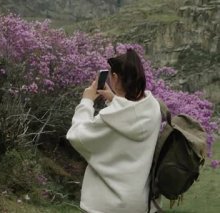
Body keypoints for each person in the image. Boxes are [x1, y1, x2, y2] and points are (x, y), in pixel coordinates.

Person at [66, 49, 161, 213]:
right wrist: (114, 99)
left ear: (115, 78)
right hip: (141, 203)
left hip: (106, 204)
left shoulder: (107, 119)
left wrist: (86, 101)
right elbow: (130, 112)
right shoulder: (153, 107)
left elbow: (77, 135)